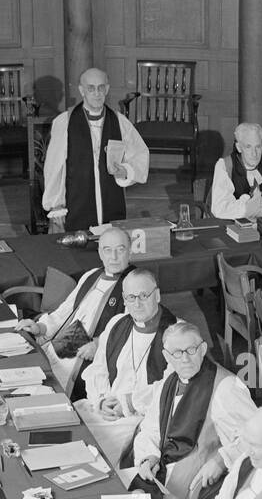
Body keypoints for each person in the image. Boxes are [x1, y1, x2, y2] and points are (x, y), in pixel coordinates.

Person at [132, 321, 257, 499]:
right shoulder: (167, 384)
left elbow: (257, 436)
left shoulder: (225, 387)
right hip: (162, 468)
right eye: (177, 353)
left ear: (203, 349)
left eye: (191, 350)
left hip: (196, 475)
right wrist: (149, 456)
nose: (185, 359)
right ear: (166, 356)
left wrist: (221, 460)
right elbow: (151, 429)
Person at [18, 226, 135, 392]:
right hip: (64, 345)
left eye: (120, 250)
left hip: (93, 358)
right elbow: (64, 312)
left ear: (130, 251)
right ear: (100, 253)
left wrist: (99, 344)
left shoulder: (135, 282)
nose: (114, 257)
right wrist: (40, 328)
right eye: (107, 250)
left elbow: (133, 329)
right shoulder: (92, 275)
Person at [77, 269, 176, 464]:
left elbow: (169, 389)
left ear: (157, 295)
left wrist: (128, 404)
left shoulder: (175, 334)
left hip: (139, 418)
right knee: (66, 426)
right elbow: (99, 369)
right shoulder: (117, 323)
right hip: (106, 408)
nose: (137, 303)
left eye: (144, 296)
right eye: (131, 297)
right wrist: (101, 400)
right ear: (123, 299)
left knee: (88, 457)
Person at [41, 67, 150, 233]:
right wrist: (56, 205)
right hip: (76, 204)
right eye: (91, 88)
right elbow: (54, 167)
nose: (97, 93)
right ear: (81, 91)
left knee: (112, 239)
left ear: (107, 89)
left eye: (101, 87)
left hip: (112, 201)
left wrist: (127, 170)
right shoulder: (65, 122)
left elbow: (140, 154)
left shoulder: (119, 122)